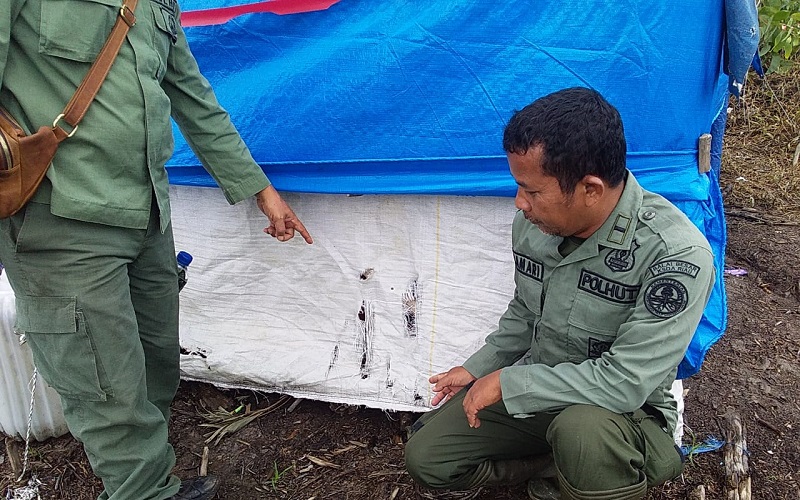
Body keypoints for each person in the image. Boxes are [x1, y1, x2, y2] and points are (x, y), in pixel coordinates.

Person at [0, 0, 312, 498]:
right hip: (60, 217)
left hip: (146, 214)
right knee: (108, 391)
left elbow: (193, 97)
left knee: (153, 365)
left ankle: (144, 483)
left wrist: (259, 188)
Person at [404, 87, 716, 500]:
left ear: (590, 188)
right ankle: (553, 467)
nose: (519, 204)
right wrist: (481, 366)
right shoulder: (537, 225)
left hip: (621, 415)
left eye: (532, 191)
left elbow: (624, 383)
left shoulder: (675, 254)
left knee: (581, 432)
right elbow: (524, 309)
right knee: (427, 457)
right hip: (542, 394)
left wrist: (509, 384)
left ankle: (598, 473)